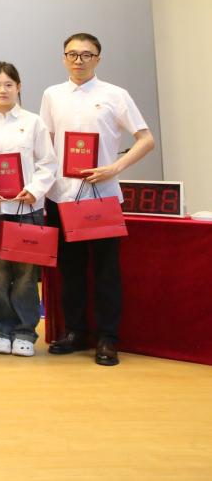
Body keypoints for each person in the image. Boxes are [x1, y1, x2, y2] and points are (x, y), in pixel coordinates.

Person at [40, 33, 153, 366]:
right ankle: (75, 333)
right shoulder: (52, 95)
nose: (79, 60)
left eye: (86, 54)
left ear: (98, 59)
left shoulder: (115, 95)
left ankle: (107, 338)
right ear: (63, 58)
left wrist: (114, 168)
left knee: (106, 271)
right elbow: (45, 143)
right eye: (72, 54)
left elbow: (146, 139)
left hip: (102, 196)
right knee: (70, 270)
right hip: (61, 196)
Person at [0, 61, 56, 358]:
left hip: (27, 207)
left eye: (8, 85)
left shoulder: (34, 122)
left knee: (25, 273)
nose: (2, 90)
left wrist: (34, 189)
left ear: (18, 87)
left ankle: (24, 331)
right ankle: (0, 329)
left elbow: (47, 163)